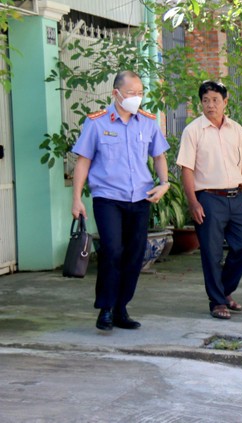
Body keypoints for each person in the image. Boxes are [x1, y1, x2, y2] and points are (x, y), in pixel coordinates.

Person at [71, 70, 170, 331]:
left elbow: (159, 156)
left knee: (134, 255)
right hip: (108, 198)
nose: (136, 98)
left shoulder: (148, 122)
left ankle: (121, 308)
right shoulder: (97, 122)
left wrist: (164, 184)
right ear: (115, 93)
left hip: (140, 198)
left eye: (140, 93)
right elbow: (83, 161)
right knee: (112, 251)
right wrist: (76, 199)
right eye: (131, 93)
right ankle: (105, 308)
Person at [176, 81, 242, 320]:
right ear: (200, 103)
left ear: (225, 102)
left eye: (215, 100)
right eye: (205, 101)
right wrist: (193, 202)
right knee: (211, 253)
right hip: (208, 199)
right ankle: (218, 302)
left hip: (236, 197)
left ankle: (224, 291)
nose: (210, 105)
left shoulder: (237, 130)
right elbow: (186, 170)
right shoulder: (193, 131)